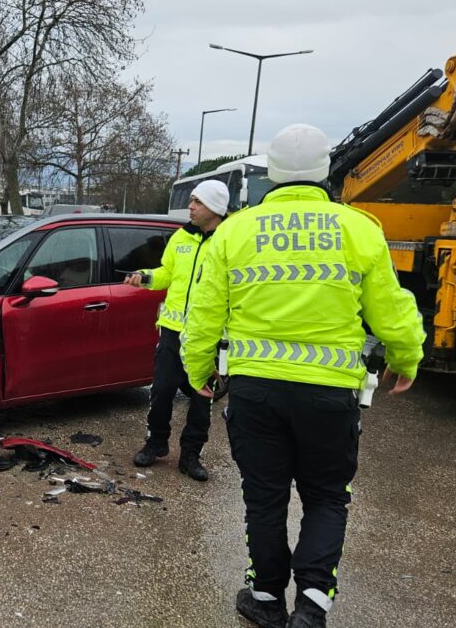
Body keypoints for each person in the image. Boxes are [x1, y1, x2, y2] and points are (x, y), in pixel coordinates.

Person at [182, 124, 425, 627]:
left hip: (255, 392)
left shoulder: (235, 230)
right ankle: (312, 604)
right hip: (329, 395)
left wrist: (196, 369)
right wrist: (406, 355)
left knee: (264, 496)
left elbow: (203, 315)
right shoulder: (359, 228)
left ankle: (266, 598)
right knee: (327, 496)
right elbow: (391, 308)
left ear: (271, 173)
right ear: (324, 172)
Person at [125, 179, 230, 481]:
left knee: (201, 399)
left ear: (215, 208)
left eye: (197, 201)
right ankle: (156, 443)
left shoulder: (228, 241)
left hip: (207, 336)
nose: (191, 206)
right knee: (161, 392)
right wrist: (145, 277)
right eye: (192, 200)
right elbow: (167, 273)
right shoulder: (181, 237)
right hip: (172, 332)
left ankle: (191, 455)